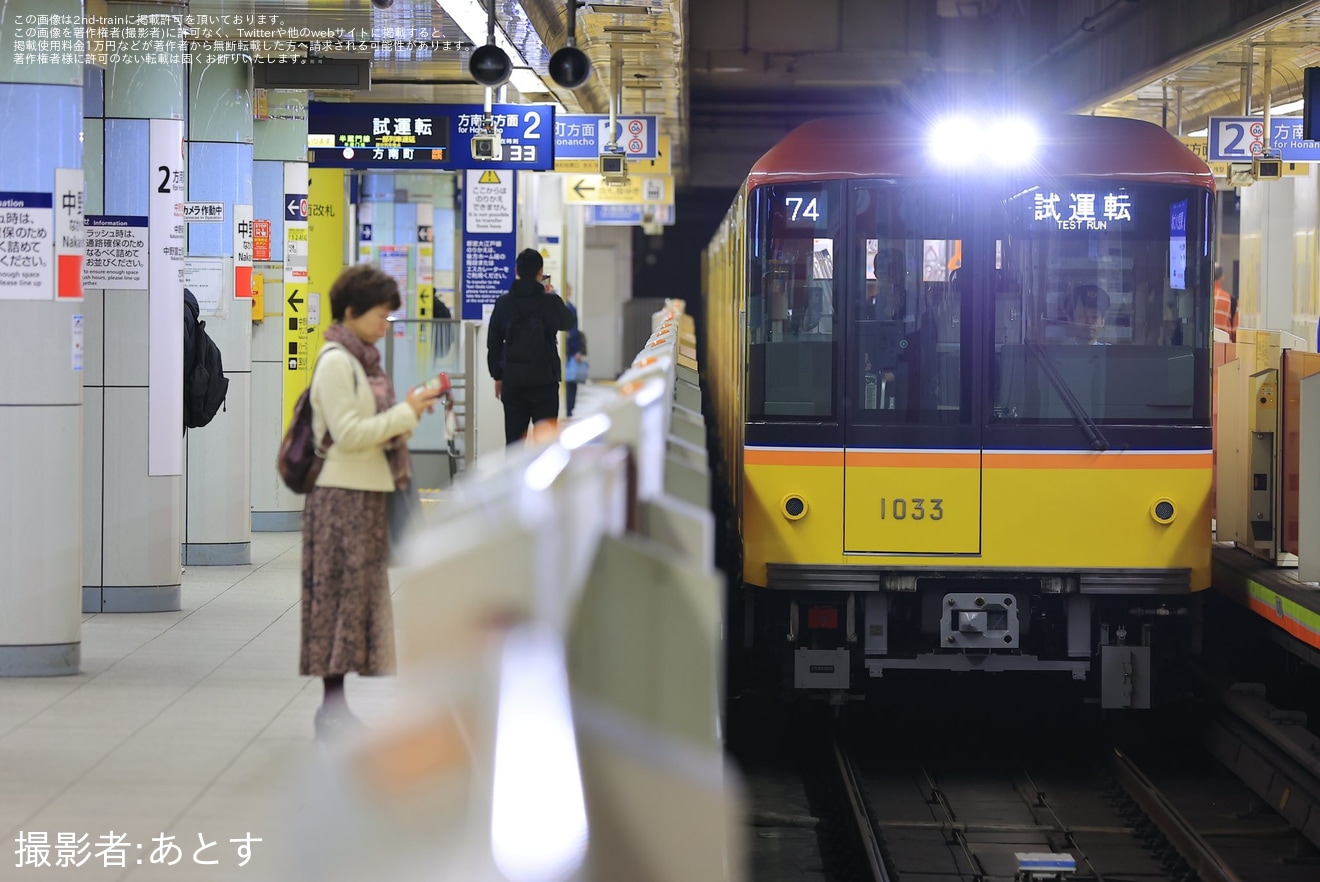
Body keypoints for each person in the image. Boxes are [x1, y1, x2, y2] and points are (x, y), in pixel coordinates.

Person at [302, 264, 441, 739]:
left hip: (368, 494)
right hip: (341, 498)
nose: (386, 324)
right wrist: (403, 412)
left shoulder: (365, 361)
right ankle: (331, 708)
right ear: (352, 311)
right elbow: (349, 433)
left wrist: (409, 413)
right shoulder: (337, 362)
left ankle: (337, 708)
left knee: (356, 602)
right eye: (381, 314)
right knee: (338, 602)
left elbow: (378, 430)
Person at [487, 248, 577, 444]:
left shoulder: (504, 303)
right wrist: (554, 296)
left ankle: (513, 475)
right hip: (544, 383)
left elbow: (493, 342)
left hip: (513, 382)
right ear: (540, 272)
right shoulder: (550, 301)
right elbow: (569, 322)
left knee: (514, 445)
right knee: (545, 446)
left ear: (516, 271)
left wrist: (498, 375)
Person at [563, 282, 587, 416]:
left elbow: (574, 331)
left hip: (570, 349)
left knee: (571, 380)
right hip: (569, 349)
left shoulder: (570, 308)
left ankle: (569, 409)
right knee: (570, 381)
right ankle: (568, 408)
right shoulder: (568, 308)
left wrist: (576, 350)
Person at [1212, 263, 1237, 342]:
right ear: (1222, 277)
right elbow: (1235, 334)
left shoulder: (1200, 298)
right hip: (1224, 349)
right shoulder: (1231, 300)